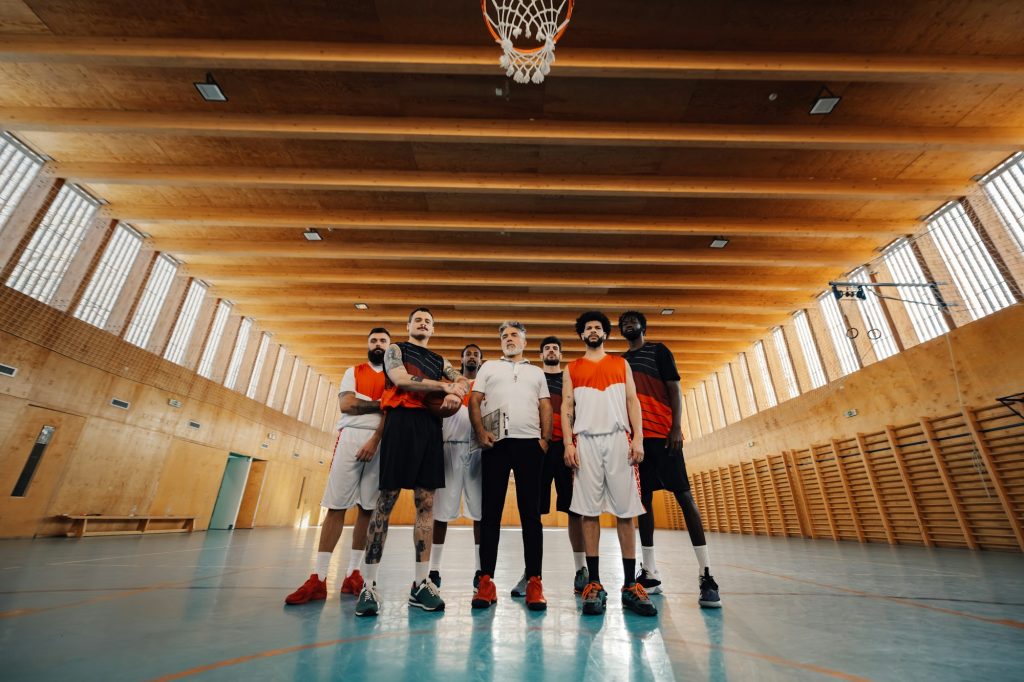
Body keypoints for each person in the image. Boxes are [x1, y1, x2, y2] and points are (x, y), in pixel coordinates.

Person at [353, 307, 469, 617]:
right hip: (400, 424)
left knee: (426, 504)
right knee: (385, 502)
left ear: (433, 329)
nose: (423, 323)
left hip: (430, 427)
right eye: (418, 319)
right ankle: (369, 585)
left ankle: (420, 584)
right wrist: (444, 386)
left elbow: (461, 378)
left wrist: (456, 393)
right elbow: (401, 379)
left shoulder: (439, 360)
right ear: (408, 325)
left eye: (428, 321)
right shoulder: (396, 349)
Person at [619, 311, 721, 608]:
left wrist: (675, 426)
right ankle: (649, 572)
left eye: (632, 320)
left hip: (665, 437)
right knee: (644, 502)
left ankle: (706, 574)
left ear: (643, 326)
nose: (628, 323)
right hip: (638, 441)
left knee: (685, 497)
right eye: (623, 321)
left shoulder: (658, 351)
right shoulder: (622, 361)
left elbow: (674, 389)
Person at [285, 328, 391, 605]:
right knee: (336, 505)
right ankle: (318, 577)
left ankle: (353, 573)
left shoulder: (395, 374)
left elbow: (392, 412)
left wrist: (370, 409)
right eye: (373, 341)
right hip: (350, 437)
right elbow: (346, 404)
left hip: (381, 440)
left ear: (390, 347)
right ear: (368, 344)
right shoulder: (353, 371)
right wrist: (381, 404)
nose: (378, 344)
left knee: (368, 508)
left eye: (382, 341)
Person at [562, 311, 656, 617]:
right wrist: (567, 444)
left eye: (597, 327)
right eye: (587, 327)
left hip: (619, 439)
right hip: (585, 441)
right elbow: (566, 408)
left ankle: (630, 585)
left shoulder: (620, 363)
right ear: (581, 335)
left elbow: (633, 401)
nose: (592, 330)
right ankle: (595, 583)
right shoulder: (572, 368)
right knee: (588, 512)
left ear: (605, 334)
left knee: (626, 511)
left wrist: (638, 438)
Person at [469, 321, 552, 611]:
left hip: (530, 445)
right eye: (504, 335)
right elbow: (475, 400)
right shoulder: (489, 367)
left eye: (514, 335)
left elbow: (545, 406)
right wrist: (480, 432)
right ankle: (486, 582)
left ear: (525, 342)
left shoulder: (536, 371)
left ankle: (535, 582)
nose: (509, 339)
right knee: (490, 514)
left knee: (532, 516)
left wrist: (544, 440)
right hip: (496, 444)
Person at [527, 335, 588, 596]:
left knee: (575, 510)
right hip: (539, 449)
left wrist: (574, 444)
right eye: (547, 348)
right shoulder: (534, 378)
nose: (551, 351)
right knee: (533, 512)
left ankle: (581, 569)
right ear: (541, 355)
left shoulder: (569, 378)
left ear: (560, 354)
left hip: (566, 449)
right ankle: (531, 574)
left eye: (555, 348)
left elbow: (579, 410)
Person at [429, 344, 484, 589]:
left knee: (480, 513)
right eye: (468, 354)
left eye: (476, 354)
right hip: (449, 447)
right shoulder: (449, 386)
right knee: (441, 513)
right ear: (460, 359)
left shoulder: (485, 387)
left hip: (477, 450)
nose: (472, 357)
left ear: (481, 361)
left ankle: (480, 569)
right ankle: (433, 569)